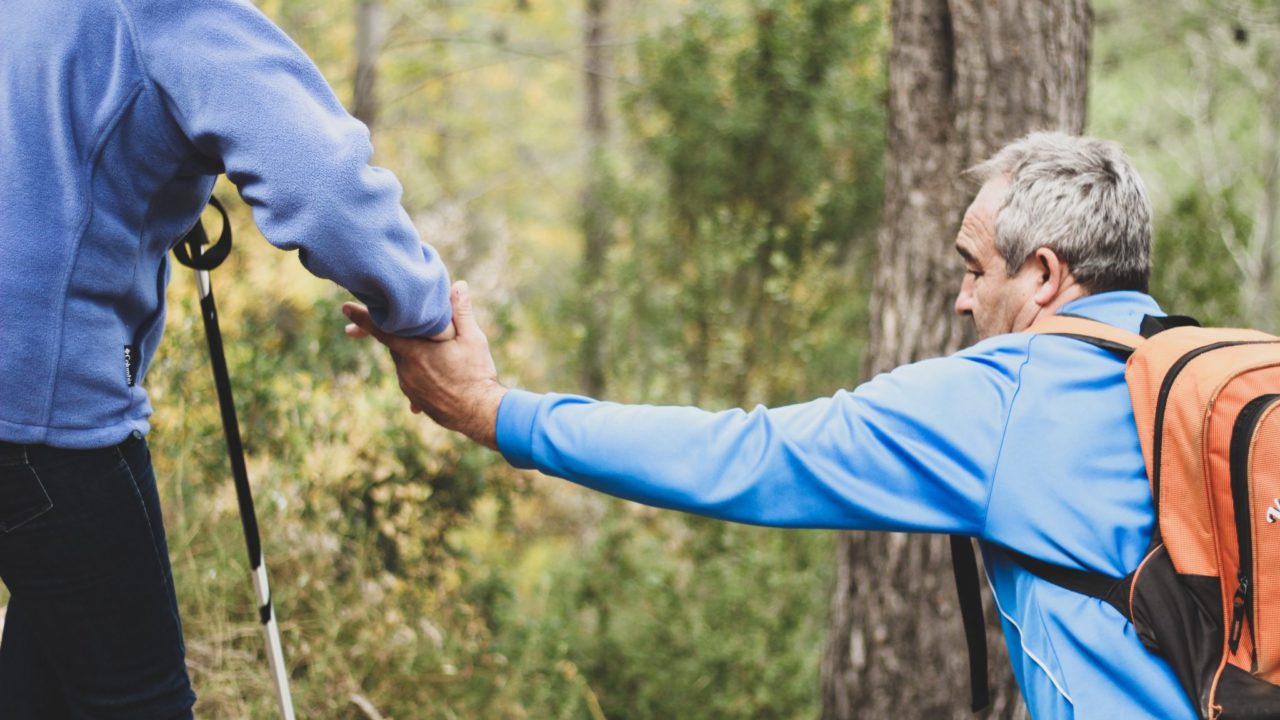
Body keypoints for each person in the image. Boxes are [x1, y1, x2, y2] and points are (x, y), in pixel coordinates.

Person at [344, 132, 1197, 718]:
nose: (961, 297)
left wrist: (494, 411)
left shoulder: (1005, 398)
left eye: (975, 270)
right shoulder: (1191, 368)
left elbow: (745, 457)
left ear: (1044, 276)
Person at [0, 0, 454, 716]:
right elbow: (325, 189)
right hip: (45, 419)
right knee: (139, 701)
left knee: (47, 678)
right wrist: (426, 312)